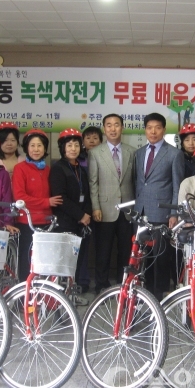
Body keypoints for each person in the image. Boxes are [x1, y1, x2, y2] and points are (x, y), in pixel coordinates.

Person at [134, 112, 184, 300]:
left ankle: (159, 295)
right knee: (143, 256)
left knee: (160, 257)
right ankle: (146, 293)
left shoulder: (174, 154)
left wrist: (174, 213)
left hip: (162, 213)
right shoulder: (139, 153)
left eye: (157, 128)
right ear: (145, 130)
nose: (153, 132)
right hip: (141, 213)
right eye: (149, 128)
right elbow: (139, 182)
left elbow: (177, 186)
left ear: (163, 129)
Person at [88, 114, 136, 294]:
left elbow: (135, 181)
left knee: (125, 250)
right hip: (104, 209)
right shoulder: (95, 153)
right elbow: (93, 182)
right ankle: (101, 285)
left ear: (122, 127)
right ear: (104, 129)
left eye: (116, 125)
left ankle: (123, 285)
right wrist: (95, 207)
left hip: (127, 209)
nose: (113, 128)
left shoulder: (132, 152)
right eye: (109, 125)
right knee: (103, 250)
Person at [12, 129, 62, 281]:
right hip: (26, 222)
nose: (36, 149)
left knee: (44, 261)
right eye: (32, 145)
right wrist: (46, 202)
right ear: (26, 148)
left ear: (45, 148)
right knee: (26, 261)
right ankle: (24, 291)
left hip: (46, 222)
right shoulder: (20, 169)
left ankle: (42, 291)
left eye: (39, 145)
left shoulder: (47, 169)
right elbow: (20, 197)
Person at [50, 128, 92, 306]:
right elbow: (60, 198)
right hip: (65, 222)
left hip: (81, 223)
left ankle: (72, 296)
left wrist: (86, 214)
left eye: (76, 145)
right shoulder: (58, 168)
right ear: (63, 148)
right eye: (69, 145)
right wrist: (80, 215)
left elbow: (87, 194)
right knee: (66, 262)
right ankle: (62, 298)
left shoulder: (80, 169)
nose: (73, 148)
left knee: (77, 261)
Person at [76, 125, 103, 290]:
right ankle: (82, 280)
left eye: (95, 138)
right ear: (83, 141)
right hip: (82, 210)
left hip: (101, 207)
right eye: (88, 138)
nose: (92, 141)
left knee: (101, 246)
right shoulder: (77, 159)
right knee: (82, 246)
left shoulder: (104, 157)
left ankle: (101, 281)